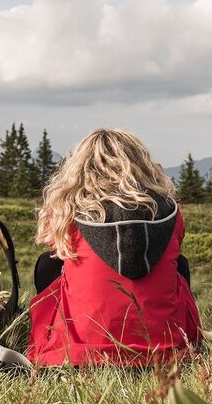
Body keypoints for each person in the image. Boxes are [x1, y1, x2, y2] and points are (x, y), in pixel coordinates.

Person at [26, 129, 201, 366]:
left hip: (79, 356)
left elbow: (53, 245)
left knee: (49, 262)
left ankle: (58, 334)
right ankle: (181, 335)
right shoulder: (169, 212)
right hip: (165, 353)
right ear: (141, 164)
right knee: (179, 264)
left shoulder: (66, 210)